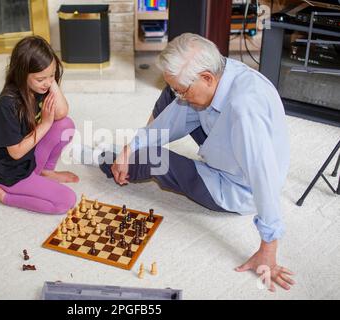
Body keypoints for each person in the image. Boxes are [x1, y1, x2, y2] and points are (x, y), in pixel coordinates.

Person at [99, 33, 295, 291]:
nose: (181, 96)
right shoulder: (220, 70)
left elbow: (263, 177)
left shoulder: (245, 110)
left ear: (206, 78)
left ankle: (108, 159)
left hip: (234, 187)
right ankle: (128, 156)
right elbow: (171, 119)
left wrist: (268, 248)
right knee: (171, 100)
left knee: (151, 159)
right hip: (225, 145)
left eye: (185, 89)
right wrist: (130, 147)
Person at [0, 36, 77, 214]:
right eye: (41, 79)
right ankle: (3, 195)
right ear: (21, 75)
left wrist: (49, 78)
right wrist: (45, 124)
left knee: (65, 125)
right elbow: (16, 152)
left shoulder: (38, 88)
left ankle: (44, 172)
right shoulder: (5, 105)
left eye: (52, 76)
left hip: (29, 158)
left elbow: (62, 112)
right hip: (8, 171)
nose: (47, 83)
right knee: (66, 201)